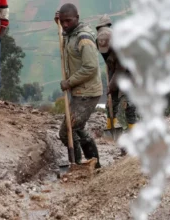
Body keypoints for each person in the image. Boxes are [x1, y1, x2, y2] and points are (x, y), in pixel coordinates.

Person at [54, 3, 103, 168]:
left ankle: (75, 164)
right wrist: (58, 25)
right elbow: (65, 37)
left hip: (87, 92)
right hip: (80, 91)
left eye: (68, 21)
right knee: (78, 127)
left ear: (77, 18)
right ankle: (93, 163)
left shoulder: (84, 38)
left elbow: (90, 67)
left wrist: (69, 82)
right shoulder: (70, 33)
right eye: (62, 21)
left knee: (66, 131)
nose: (65, 24)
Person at [95, 14, 138, 131]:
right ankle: (111, 127)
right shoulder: (98, 41)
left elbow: (121, 69)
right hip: (115, 69)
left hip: (129, 71)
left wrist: (111, 85)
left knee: (128, 103)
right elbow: (108, 61)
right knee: (111, 101)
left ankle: (132, 130)